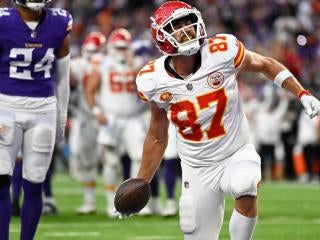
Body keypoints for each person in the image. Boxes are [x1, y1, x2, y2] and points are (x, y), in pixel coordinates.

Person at [132, 1, 320, 240]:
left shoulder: (222, 51)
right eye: (177, 26)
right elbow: (157, 135)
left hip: (235, 152)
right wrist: (142, 182)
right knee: (196, 233)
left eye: (189, 23)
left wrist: (302, 93)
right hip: (196, 166)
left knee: (245, 184)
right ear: (161, 35)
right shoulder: (153, 80)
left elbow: (265, 64)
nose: (187, 29)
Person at [0, 0, 72, 239]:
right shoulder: (2, 20)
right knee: (1, 181)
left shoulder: (60, 21)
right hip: (5, 105)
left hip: (43, 109)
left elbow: (63, 77)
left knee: (34, 181)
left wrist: (61, 117)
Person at [85, 28, 147, 217]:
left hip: (132, 118)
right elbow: (90, 89)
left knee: (139, 157)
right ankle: (111, 201)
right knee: (110, 162)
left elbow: (146, 86)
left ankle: (137, 201)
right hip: (111, 118)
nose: (121, 50)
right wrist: (96, 111)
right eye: (118, 47)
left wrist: (133, 65)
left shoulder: (137, 64)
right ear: (111, 47)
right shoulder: (102, 63)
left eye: (124, 47)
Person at [69, 31, 106, 215]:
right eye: (89, 50)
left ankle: (114, 201)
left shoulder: (109, 63)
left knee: (110, 161)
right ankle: (89, 201)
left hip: (107, 117)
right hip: (86, 116)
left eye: (96, 50)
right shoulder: (76, 64)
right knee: (86, 161)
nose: (92, 54)